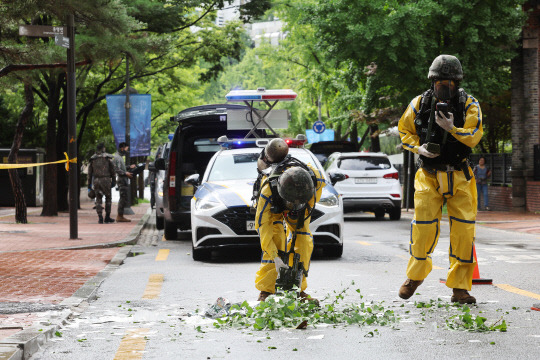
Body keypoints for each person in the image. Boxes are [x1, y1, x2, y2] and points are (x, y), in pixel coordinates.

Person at [397, 54, 483, 304]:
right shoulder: (419, 103)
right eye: (439, 83)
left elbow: (474, 134)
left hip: (460, 176)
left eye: (450, 84)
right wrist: (418, 148)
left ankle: (460, 288)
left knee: (464, 233)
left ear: (457, 83)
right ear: (432, 83)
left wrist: (452, 129)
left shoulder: (469, 104)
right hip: (429, 175)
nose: (444, 88)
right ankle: (415, 277)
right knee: (422, 230)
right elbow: (404, 131)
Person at [254, 139, 325, 303]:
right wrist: (275, 257)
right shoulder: (268, 189)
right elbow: (263, 226)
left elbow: (309, 211)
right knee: (276, 237)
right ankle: (266, 290)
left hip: (303, 203)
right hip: (276, 208)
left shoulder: (315, 180)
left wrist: (297, 211)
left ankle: (297, 289)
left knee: (304, 241)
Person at [87, 143, 116, 224]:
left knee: (98, 199)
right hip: (106, 180)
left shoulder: (92, 159)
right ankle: (107, 217)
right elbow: (113, 171)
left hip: (96, 180)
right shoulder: (108, 158)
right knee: (108, 198)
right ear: (103, 148)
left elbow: (89, 174)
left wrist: (89, 184)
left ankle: (100, 217)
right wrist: (114, 181)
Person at [112, 142, 136, 223]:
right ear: (122, 148)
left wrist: (129, 167)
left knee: (124, 198)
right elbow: (116, 169)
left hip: (124, 180)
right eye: (126, 149)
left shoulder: (120, 157)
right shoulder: (117, 157)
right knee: (122, 198)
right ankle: (119, 216)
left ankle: (120, 215)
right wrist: (126, 173)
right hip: (122, 180)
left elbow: (121, 168)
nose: (127, 151)